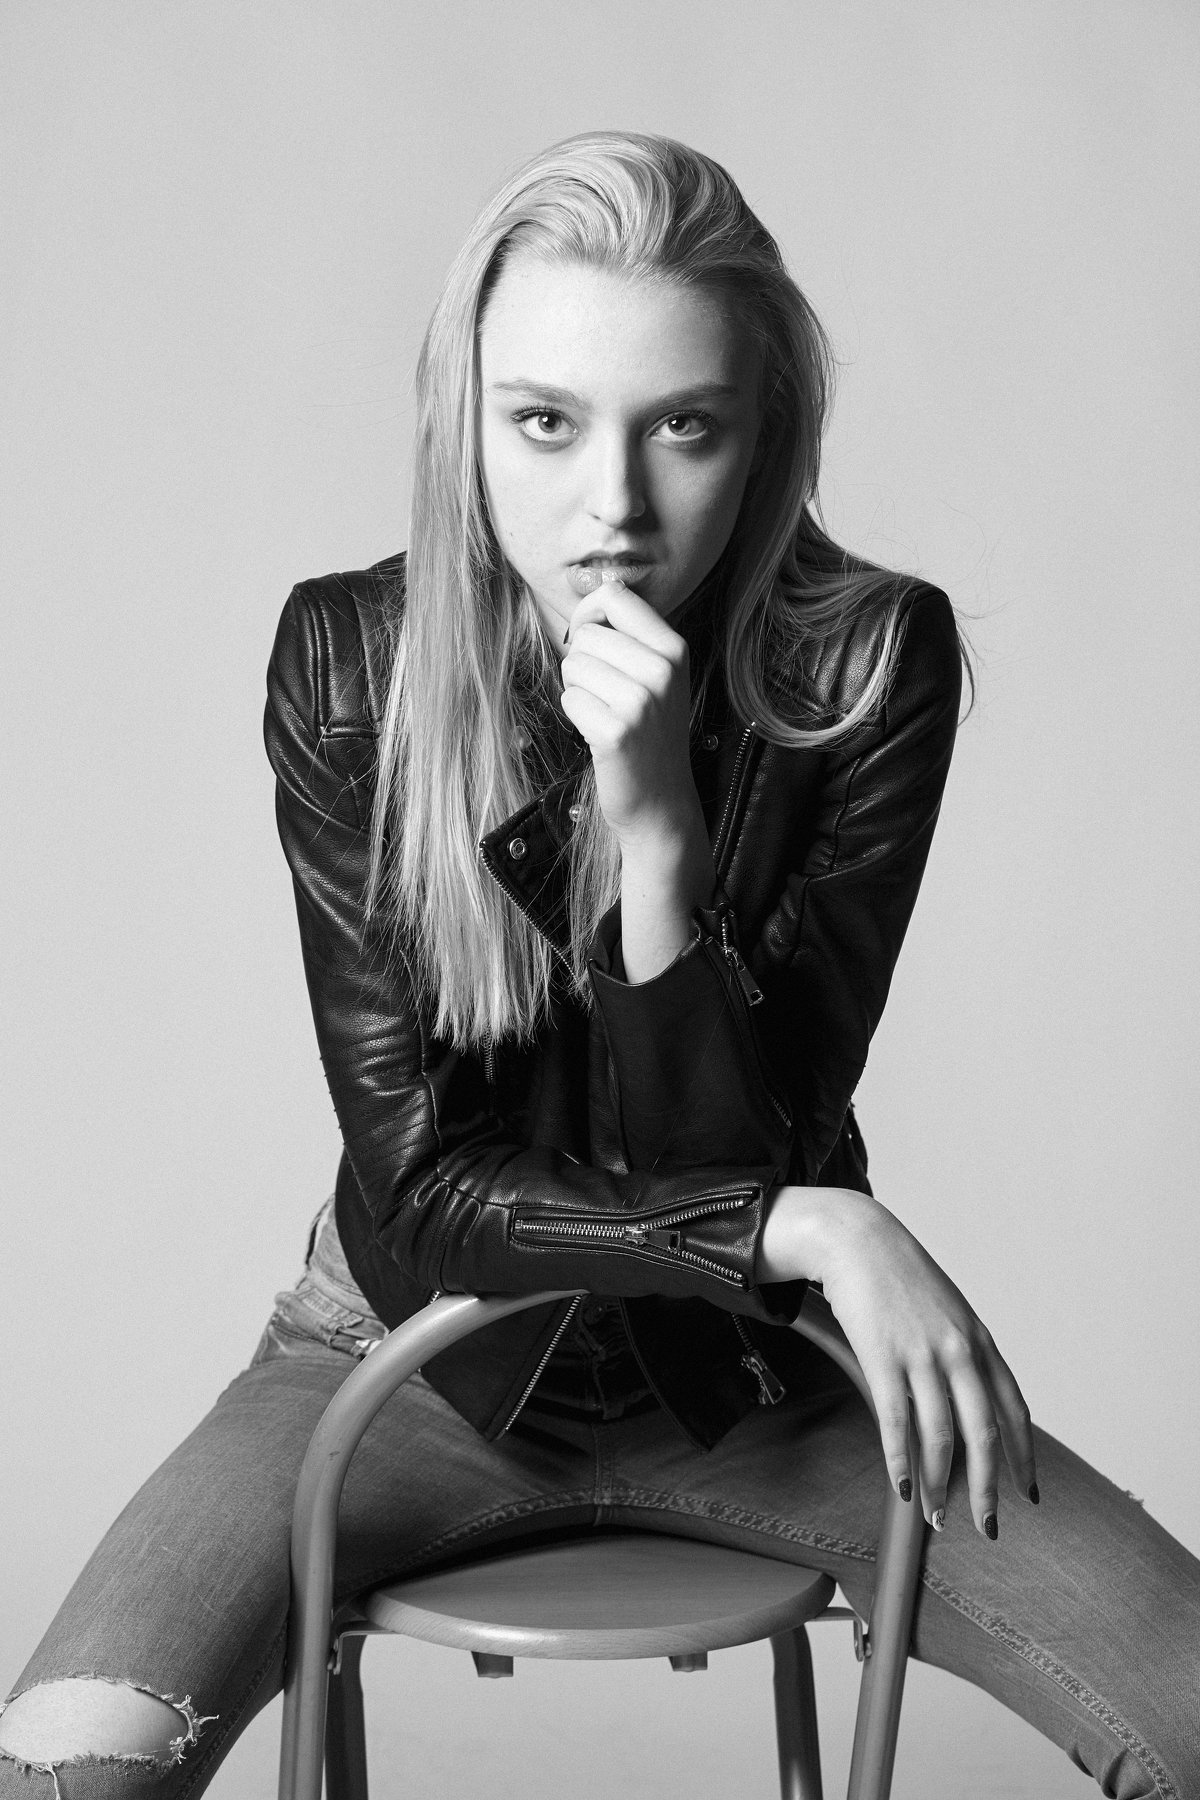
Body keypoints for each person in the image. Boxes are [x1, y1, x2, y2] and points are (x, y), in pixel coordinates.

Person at [1, 130, 1196, 1800]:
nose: (614, 506)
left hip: (775, 1376)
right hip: (402, 1362)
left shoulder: (867, 661)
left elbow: (741, 1139)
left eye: (684, 426)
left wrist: (655, 840)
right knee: (68, 1773)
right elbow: (427, 1194)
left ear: (766, 430)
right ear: (466, 421)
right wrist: (815, 1226)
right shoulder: (348, 662)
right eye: (546, 423)